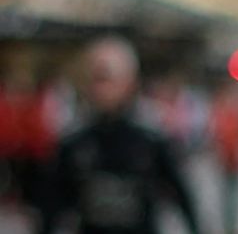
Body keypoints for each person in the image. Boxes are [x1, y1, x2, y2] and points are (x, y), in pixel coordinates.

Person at [38, 35, 200, 234]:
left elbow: (182, 195)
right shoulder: (75, 142)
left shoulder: (151, 140)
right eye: (93, 79)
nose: (98, 88)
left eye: (105, 79)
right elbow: (51, 205)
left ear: (129, 82)